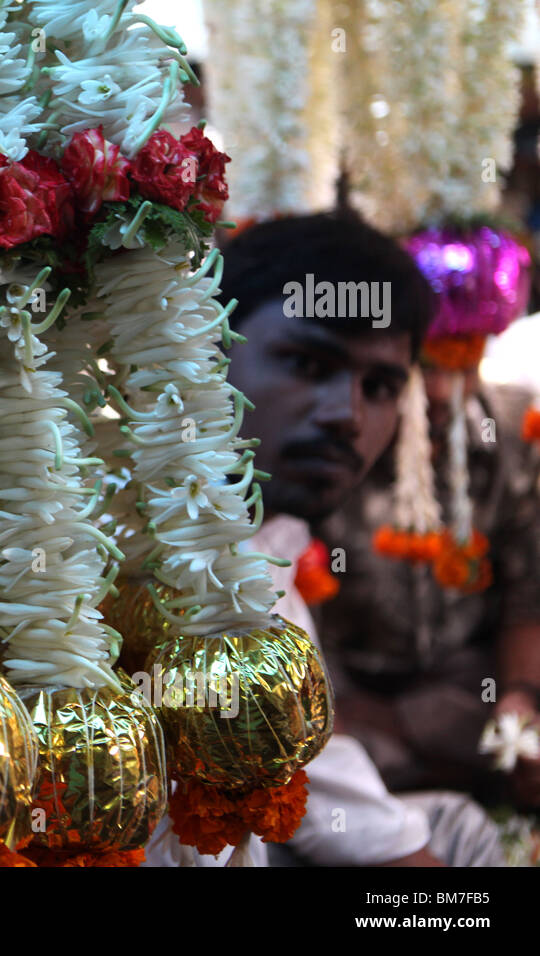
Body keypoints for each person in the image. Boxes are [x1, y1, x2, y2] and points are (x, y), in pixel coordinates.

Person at [148, 211, 504, 866]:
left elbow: (311, 757)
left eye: (380, 386)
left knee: (458, 829)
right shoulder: (140, 538)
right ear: (208, 348)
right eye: (309, 364)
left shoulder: (269, 539)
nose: (349, 415)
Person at [313, 359, 540, 807]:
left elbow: (527, 597)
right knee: (319, 763)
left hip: (466, 690)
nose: (439, 391)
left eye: (460, 366)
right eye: (420, 370)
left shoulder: (512, 431)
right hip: (348, 696)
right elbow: (289, 602)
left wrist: (519, 700)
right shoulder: (328, 437)